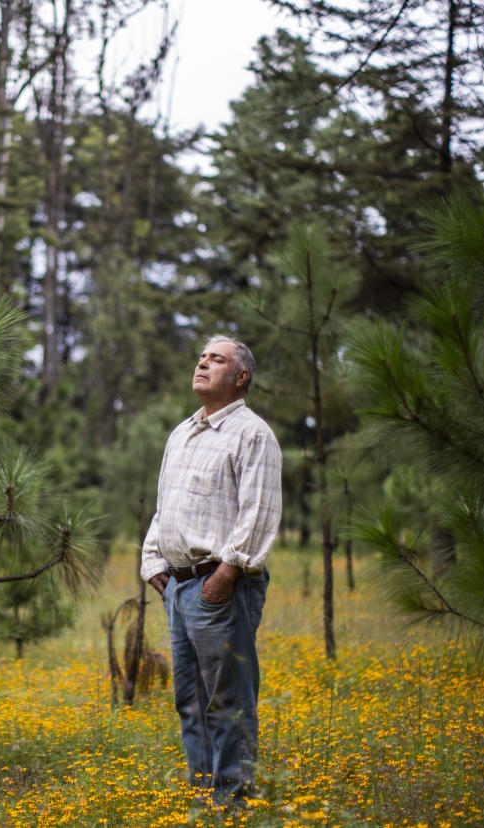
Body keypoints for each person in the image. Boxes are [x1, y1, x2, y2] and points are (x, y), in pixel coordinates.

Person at [141, 334, 282, 806]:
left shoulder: (252, 434)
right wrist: (152, 559)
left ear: (240, 378)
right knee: (190, 701)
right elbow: (168, 504)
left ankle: (233, 798)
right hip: (179, 587)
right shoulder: (182, 432)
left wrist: (227, 573)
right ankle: (205, 793)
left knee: (227, 699)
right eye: (202, 357)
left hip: (220, 585)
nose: (202, 364)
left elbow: (258, 511)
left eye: (216, 359)